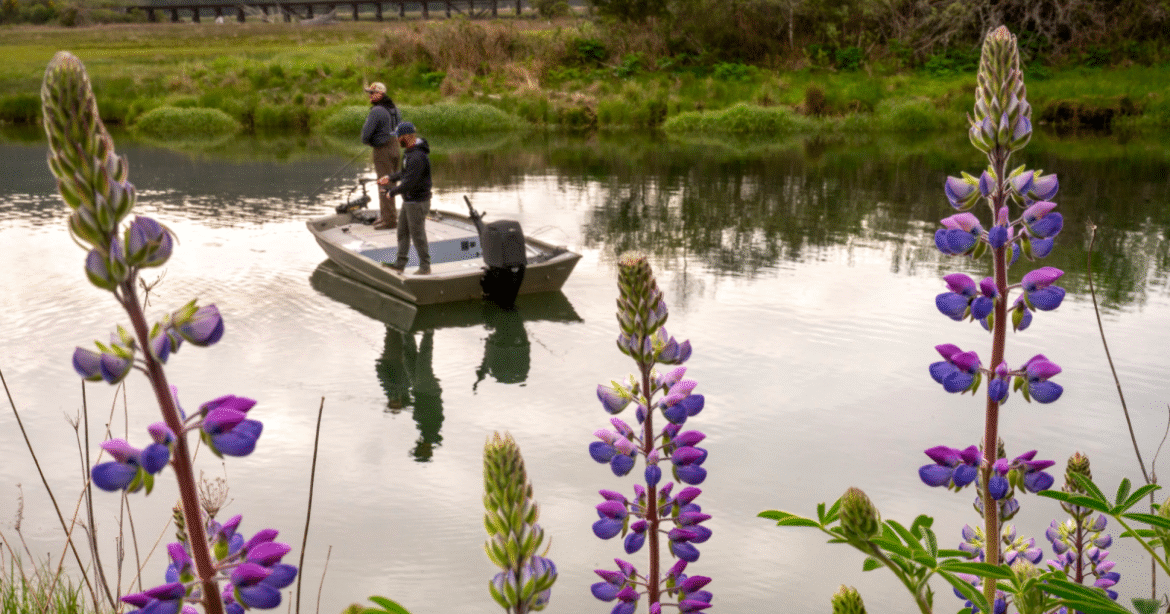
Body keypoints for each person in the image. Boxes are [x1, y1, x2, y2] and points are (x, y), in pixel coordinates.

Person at [378, 122, 432, 275]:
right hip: (409, 201)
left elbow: (409, 182)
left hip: (417, 202)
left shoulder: (417, 156)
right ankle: (399, 264)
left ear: (407, 136)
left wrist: (392, 192)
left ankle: (425, 267)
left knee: (418, 235)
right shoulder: (409, 152)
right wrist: (389, 178)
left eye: (398, 137)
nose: (396, 140)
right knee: (402, 232)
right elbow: (404, 174)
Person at [361, 82, 401, 230]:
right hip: (396, 148)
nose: (370, 96)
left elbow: (365, 135)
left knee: (384, 185)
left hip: (382, 151)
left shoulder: (376, 111)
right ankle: (387, 217)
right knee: (390, 184)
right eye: (369, 93)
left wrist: (370, 142)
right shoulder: (395, 109)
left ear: (381, 94)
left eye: (372, 93)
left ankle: (389, 221)